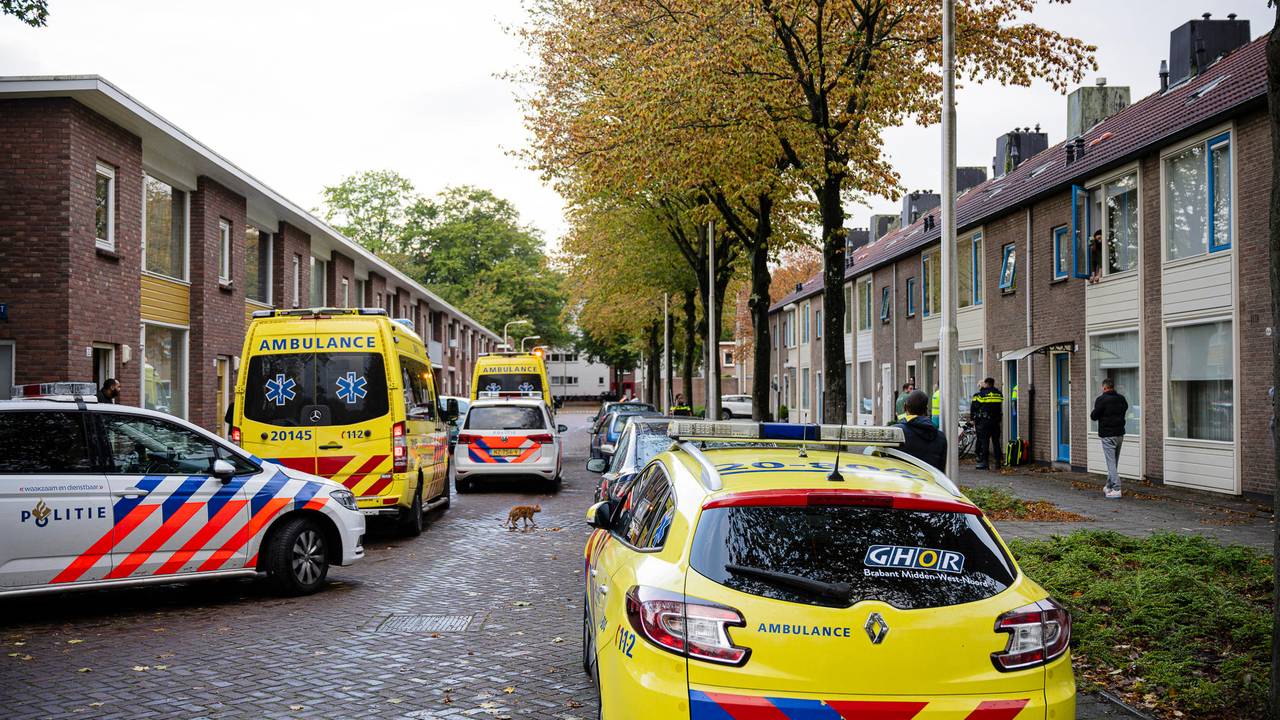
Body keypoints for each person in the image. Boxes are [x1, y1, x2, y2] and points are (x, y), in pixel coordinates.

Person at [1090, 377, 1129, 499]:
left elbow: (1094, 416)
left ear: (1104, 387)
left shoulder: (1101, 400)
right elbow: (1126, 408)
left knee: (1111, 463)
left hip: (1107, 435)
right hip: (1119, 434)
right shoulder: (1121, 399)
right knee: (1114, 462)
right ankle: (1109, 486)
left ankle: (1117, 489)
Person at [893, 390, 946, 472]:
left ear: (904, 407)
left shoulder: (895, 433)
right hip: (929, 483)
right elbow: (941, 471)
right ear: (926, 410)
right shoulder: (940, 437)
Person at [969, 377, 1003, 471]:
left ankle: (985, 463)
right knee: (996, 442)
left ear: (986, 384)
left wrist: (972, 419)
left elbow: (974, 407)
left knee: (985, 442)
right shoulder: (999, 394)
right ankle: (998, 462)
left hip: (984, 422)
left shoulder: (980, 395)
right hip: (995, 422)